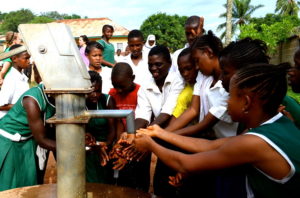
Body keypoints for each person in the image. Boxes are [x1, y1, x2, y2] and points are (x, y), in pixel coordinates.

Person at [135, 63, 300, 198]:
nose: (226, 102)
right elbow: (210, 146)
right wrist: (160, 133)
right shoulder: (281, 122)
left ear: (247, 102)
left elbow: (184, 164)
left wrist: (151, 145)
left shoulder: (255, 142)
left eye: (231, 96)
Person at [118, 45, 184, 192]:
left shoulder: (178, 81)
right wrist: (130, 133)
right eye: (150, 65)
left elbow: (166, 113)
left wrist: (143, 135)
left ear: (169, 63)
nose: (154, 68)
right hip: (159, 136)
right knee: (160, 184)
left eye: (158, 64)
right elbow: (142, 117)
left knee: (174, 185)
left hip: (178, 137)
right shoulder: (146, 86)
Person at [0, 73, 56, 191]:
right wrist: (75, 147)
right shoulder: (32, 100)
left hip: (28, 139)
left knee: (28, 180)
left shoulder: (57, 97)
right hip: (9, 141)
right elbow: (42, 140)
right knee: (9, 182)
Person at [85, 70, 115, 183]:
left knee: (105, 182)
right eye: (91, 91)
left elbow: (112, 129)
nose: (95, 95)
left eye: (98, 91)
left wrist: (106, 145)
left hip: (105, 147)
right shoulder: (78, 103)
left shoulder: (107, 101)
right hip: (87, 149)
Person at [108, 62, 140, 139]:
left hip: (138, 134)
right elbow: (117, 121)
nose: (119, 90)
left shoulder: (140, 92)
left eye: (122, 87)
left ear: (132, 78)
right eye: (115, 86)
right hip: (121, 135)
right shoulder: (112, 93)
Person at [0, 44, 30, 119]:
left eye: (29, 58)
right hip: (8, 123)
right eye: (26, 58)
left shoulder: (22, 77)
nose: (29, 61)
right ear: (14, 59)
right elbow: (1, 105)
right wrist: (25, 106)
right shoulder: (11, 78)